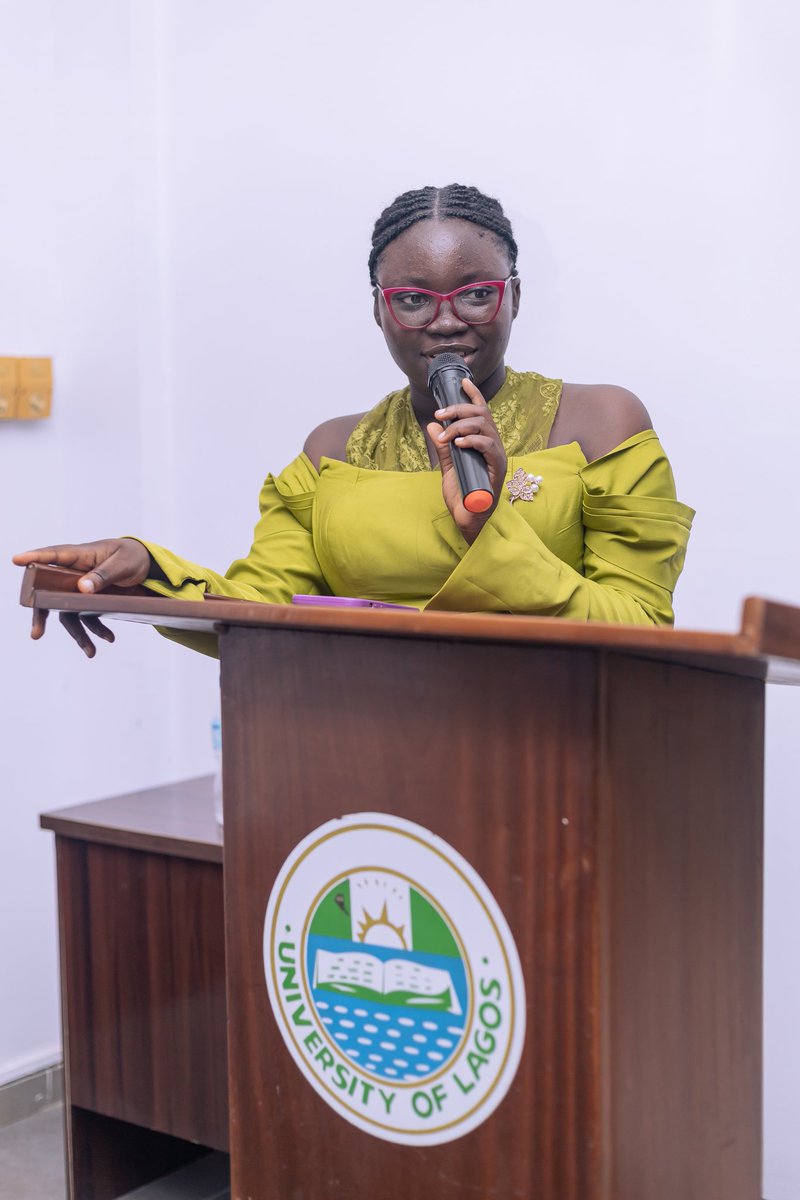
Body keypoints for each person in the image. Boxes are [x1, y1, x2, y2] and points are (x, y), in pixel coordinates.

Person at [13, 184, 693, 658]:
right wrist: (148, 572)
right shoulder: (332, 448)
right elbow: (259, 609)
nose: (449, 320)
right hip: (358, 752)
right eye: (413, 300)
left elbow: (639, 625)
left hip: (551, 758)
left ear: (514, 297)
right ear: (378, 310)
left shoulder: (599, 422)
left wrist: (493, 527)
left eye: (477, 295)